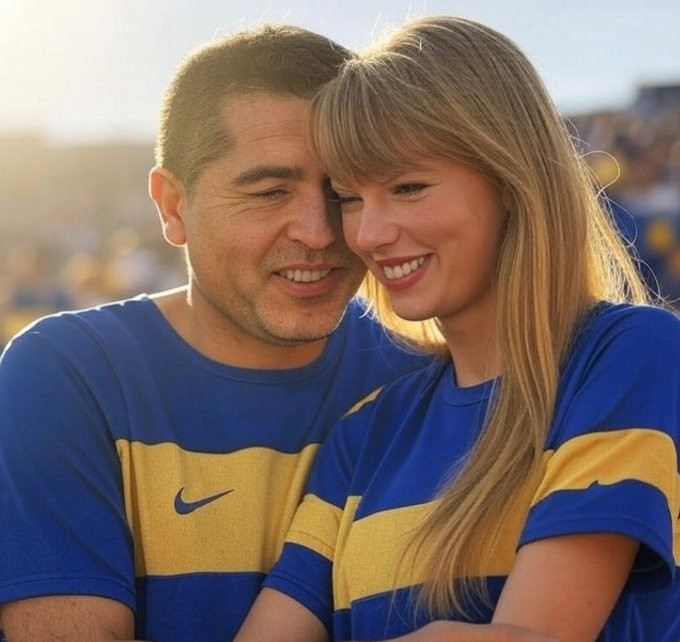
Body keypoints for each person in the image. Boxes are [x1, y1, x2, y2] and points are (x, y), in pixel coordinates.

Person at [235, 16, 680, 642]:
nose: (369, 234)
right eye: (350, 197)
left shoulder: (627, 355)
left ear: (511, 181)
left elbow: (533, 635)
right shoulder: (365, 432)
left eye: (409, 187)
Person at [0, 25, 430, 642]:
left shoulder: (431, 375)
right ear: (173, 206)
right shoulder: (68, 374)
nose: (319, 230)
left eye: (342, 192)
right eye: (269, 192)